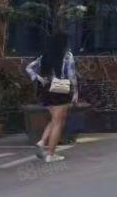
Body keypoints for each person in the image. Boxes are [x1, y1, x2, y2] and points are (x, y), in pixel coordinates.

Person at [26, 32, 78, 163]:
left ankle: (42, 142)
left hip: (47, 90)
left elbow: (29, 68)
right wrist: (75, 93)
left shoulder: (45, 55)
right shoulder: (67, 56)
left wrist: (39, 79)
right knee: (58, 123)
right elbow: (72, 76)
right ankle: (51, 154)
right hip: (61, 90)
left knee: (55, 119)